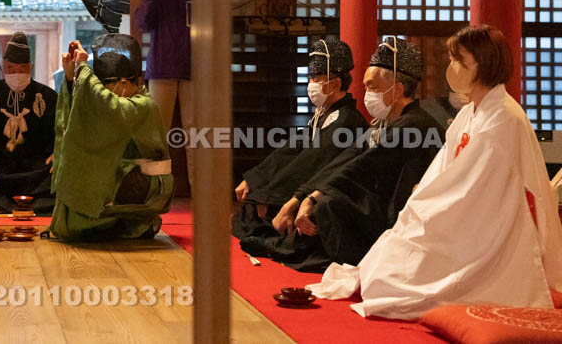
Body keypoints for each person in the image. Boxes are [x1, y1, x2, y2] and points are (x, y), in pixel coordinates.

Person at [309, 26, 562, 319]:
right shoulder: (469, 112)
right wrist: (423, 197)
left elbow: (477, 184)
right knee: (387, 258)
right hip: (461, 204)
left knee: (399, 275)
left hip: (487, 218)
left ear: (483, 64)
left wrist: (431, 203)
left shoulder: (503, 116)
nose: (450, 68)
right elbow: (443, 166)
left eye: (459, 61)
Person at [246, 37, 445, 272]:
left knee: (330, 204)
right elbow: (344, 159)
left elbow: (361, 166)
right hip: (380, 198)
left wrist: (312, 199)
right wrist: (299, 197)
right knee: (322, 198)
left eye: (372, 87)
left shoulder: (413, 124)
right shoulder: (385, 123)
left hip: (401, 210)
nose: (366, 93)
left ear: (398, 89)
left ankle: (322, 256)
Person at [233, 39, 365, 241]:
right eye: (311, 77)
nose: (311, 83)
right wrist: (255, 179)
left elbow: (310, 163)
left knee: (255, 217)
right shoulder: (323, 113)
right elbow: (291, 150)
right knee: (251, 208)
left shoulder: (345, 120)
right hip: (305, 185)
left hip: (322, 191)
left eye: (317, 78)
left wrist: (271, 196)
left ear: (336, 83)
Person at [48, 34, 174, 242]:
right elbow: (76, 120)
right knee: (75, 165)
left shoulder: (143, 105)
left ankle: (114, 223)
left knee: (91, 173)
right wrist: (71, 78)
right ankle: (99, 225)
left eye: (104, 84)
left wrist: (83, 68)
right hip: (119, 174)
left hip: (145, 181)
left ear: (123, 83)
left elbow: (108, 105)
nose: (102, 91)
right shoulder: (111, 104)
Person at [0, 32, 57, 214]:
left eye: (22, 68)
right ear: (2, 67)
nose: (17, 73)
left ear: (31, 67)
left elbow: (59, 131)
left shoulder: (48, 96)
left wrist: (57, 152)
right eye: (11, 68)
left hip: (37, 170)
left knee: (56, 177)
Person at [133, 0, 194, 186]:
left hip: (196, 70)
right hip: (161, 67)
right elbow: (143, 23)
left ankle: (200, 192)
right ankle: (153, 189)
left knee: (196, 135)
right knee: (156, 133)